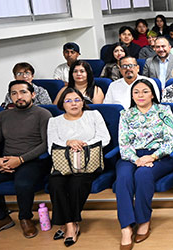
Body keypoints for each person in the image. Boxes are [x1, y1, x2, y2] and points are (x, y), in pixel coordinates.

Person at [115, 79, 173, 249]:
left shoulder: (164, 111)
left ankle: (143, 220)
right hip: (132, 156)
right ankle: (126, 227)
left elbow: (170, 141)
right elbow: (124, 144)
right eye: (136, 92)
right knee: (123, 178)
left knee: (143, 175)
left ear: (153, 94)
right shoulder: (126, 114)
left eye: (145, 91)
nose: (140, 95)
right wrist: (137, 160)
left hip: (160, 156)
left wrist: (152, 157)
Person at [46, 87, 110, 246]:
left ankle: (68, 226)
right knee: (55, 184)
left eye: (77, 100)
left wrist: (83, 144)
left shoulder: (93, 115)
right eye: (68, 101)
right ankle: (71, 224)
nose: (73, 104)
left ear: (83, 102)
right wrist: (69, 143)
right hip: (63, 164)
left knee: (76, 184)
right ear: (62, 104)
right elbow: (50, 146)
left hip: (88, 164)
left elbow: (105, 138)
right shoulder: (54, 121)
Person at [0, 81, 51, 238]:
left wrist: (20, 159)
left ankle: (25, 218)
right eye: (14, 93)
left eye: (23, 92)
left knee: (23, 184)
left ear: (32, 95)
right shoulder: (2, 116)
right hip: (6, 161)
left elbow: (46, 144)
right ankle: (0, 216)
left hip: (33, 160)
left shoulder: (43, 114)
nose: (19, 96)